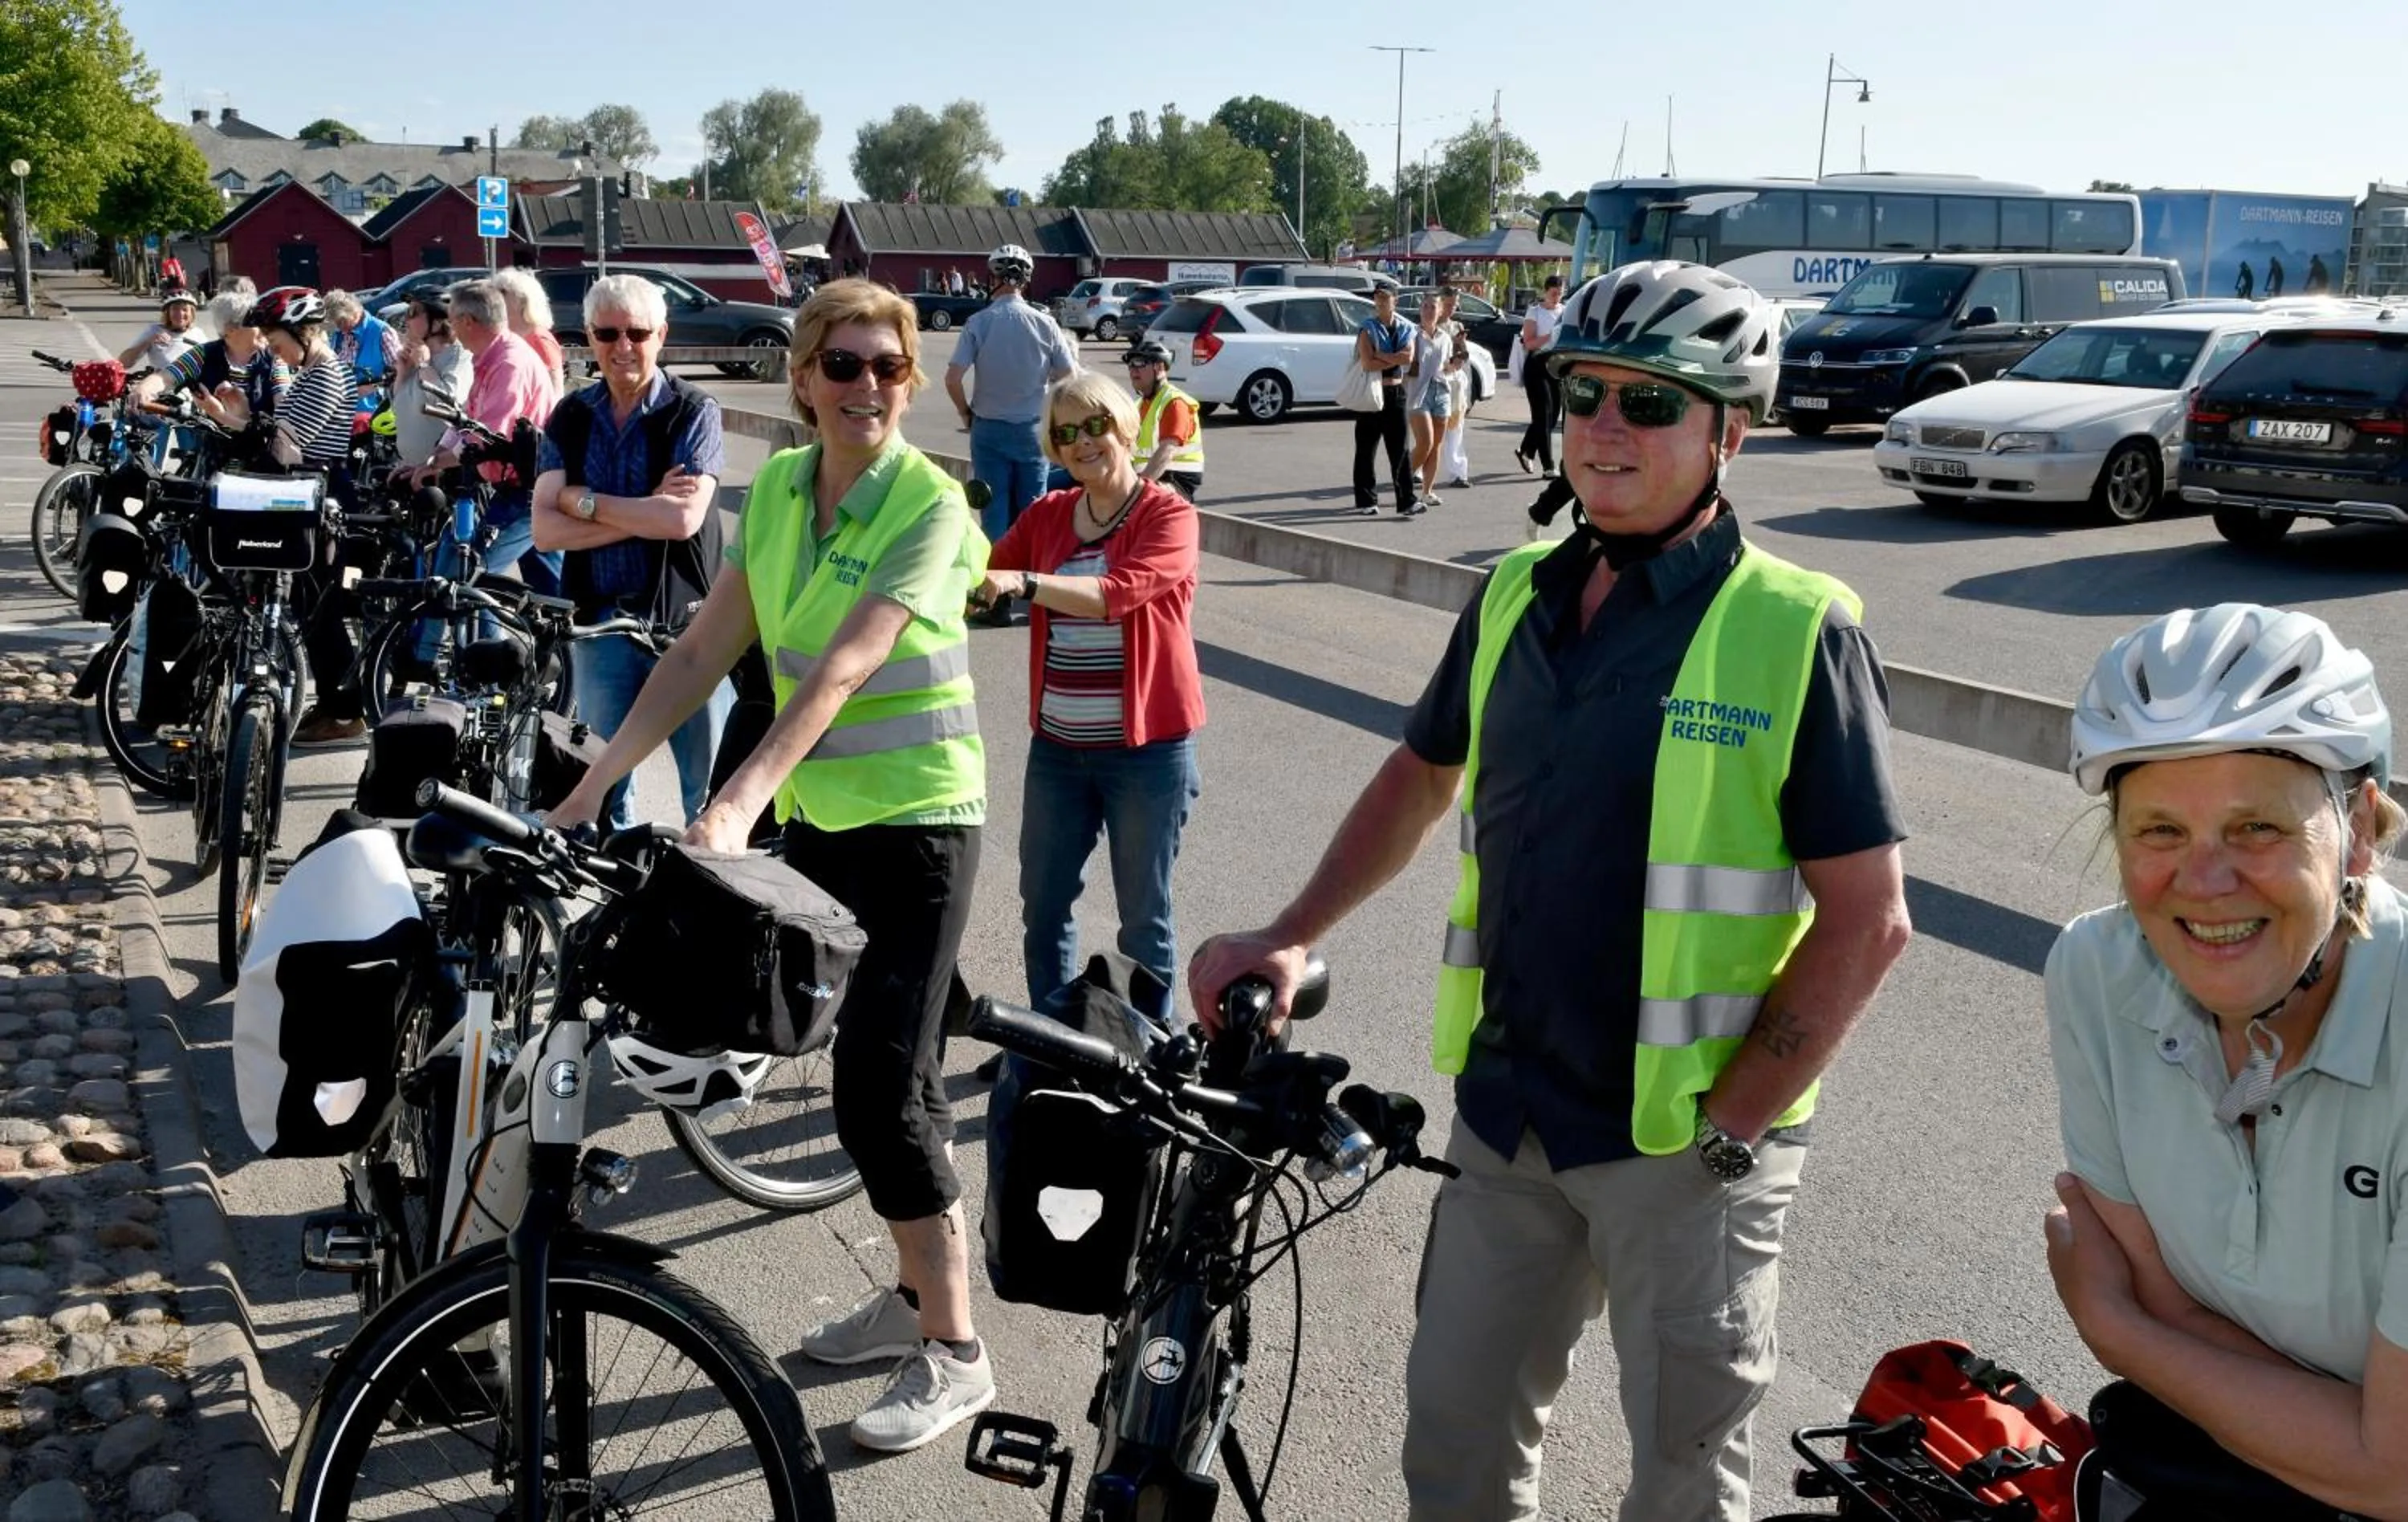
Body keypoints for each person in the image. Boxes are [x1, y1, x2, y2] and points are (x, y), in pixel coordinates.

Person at [1191, 259, 1914, 1522]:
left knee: (1684, 1486)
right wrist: (1291, 932)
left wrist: (1735, 1125)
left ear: (1727, 431)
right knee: (1456, 1454)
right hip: (1510, 1112)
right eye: (1585, 394)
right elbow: (1423, 775)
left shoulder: (1798, 629)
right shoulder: (1518, 587)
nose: (1606, 429)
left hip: (1685, 1146)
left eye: (1652, 402)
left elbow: (1869, 919)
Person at [547, 279, 997, 1455]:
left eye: (889, 369)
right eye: (842, 366)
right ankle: (916, 1303)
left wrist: (738, 799)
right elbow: (704, 647)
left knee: (879, 1089)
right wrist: (597, 781)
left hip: (923, 829)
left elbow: (847, 665)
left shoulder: (928, 503)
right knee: (891, 1076)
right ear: (800, 378)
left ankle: (955, 1354)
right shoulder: (784, 493)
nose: (867, 388)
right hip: (830, 821)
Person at [2044, 603, 2408, 1521]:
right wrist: (2350, 1426)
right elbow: (2162, 1293)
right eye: (2159, 831)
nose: (2204, 885)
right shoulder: (2095, 973)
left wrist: (2115, 1331)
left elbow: (2398, 1473)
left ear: (2359, 826)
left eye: (2257, 829)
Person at [972, 370, 1203, 1023]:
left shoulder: (1169, 515)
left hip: (1147, 753)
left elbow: (1117, 595)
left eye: (1095, 425)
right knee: (1043, 905)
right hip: (1059, 750)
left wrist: (1024, 581)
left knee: (1142, 919)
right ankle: (1051, 1040)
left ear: (1127, 427)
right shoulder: (1048, 514)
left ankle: (1150, 1054)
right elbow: (986, 568)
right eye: (1065, 433)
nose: (1082, 442)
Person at [531, 273, 734, 831]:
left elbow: (683, 520)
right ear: (590, 338)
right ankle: (618, 901)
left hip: (686, 627)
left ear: (661, 335)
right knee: (604, 787)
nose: (623, 347)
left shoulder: (694, 411)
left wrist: (584, 502)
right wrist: (644, 507)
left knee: (709, 792)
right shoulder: (570, 416)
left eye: (637, 333)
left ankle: (710, 901)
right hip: (600, 627)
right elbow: (545, 531)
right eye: (607, 332)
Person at [240, 288, 368, 747]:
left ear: (300, 332)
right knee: (310, 605)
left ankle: (345, 711)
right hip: (309, 493)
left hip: (323, 496)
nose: (269, 347)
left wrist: (243, 429)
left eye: (274, 338)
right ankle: (335, 701)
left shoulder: (325, 376)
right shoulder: (310, 370)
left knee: (320, 607)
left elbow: (289, 444)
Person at [417, 279, 563, 595]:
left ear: (467, 321)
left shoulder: (509, 362)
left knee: (476, 579)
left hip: (528, 490)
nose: (450, 327)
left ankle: (494, 646)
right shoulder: (490, 359)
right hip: (518, 486)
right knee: (551, 588)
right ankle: (563, 639)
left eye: (452, 319)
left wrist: (435, 464)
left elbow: (486, 435)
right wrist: (433, 456)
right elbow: (465, 421)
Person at [946, 243, 1076, 571]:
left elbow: (952, 378)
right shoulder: (1046, 324)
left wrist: (966, 413)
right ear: (1026, 280)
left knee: (993, 510)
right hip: (1032, 429)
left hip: (988, 429)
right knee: (1034, 508)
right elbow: (1070, 377)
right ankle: (1032, 582)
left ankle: (997, 591)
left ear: (994, 277)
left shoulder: (979, 322)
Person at [131, 289, 287, 430]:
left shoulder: (273, 357)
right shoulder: (204, 354)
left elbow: (283, 400)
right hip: (215, 449)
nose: (264, 329)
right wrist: (143, 389)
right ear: (230, 330)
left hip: (263, 446)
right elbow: (167, 376)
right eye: (256, 323)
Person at [1351, 284, 1419, 518]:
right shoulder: (1367, 329)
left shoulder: (1405, 328)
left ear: (1395, 301)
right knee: (1366, 449)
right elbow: (1367, 363)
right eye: (1377, 297)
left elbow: (1408, 357)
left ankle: (1407, 501)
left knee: (1400, 449)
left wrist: (1380, 355)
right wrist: (1393, 359)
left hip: (1396, 393)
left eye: (1385, 298)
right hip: (1372, 392)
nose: (1380, 302)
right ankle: (1366, 501)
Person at [388, 290, 475, 470]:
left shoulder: (458, 357)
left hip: (442, 474)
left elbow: (449, 405)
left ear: (436, 322)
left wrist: (424, 365)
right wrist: (403, 373)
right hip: (410, 467)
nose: (406, 321)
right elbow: (400, 409)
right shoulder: (414, 356)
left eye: (413, 313)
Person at [1122, 338, 1204, 502]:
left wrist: (1138, 489)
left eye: (1140, 363)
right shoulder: (1138, 405)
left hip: (1175, 481)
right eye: (1131, 364)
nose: (1133, 369)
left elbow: (1167, 451)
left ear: (1159, 367)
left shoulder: (1175, 403)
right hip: (1148, 479)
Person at [1407, 289, 1456, 508]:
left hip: (1441, 391)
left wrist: (1453, 366)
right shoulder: (1412, 334)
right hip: (1419, 393)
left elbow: (1445, 366)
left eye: (1433, 307)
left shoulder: (1445, 338)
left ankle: (1427, 491)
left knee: (1436, 445)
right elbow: (1405, 364)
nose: (1428, 311)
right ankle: (1403, 480)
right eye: (1425, 306)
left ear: (1440, 311)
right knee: (1424, 443)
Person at [1516, 274, 1567, 476]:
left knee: (1553, 416)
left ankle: (1526, 450)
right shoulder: (1535, 312)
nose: (1557, 298)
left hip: (1558, 364)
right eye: (1554, 293)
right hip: (1537, 363)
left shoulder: (1565, 311)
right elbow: (1528, 342)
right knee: (1542, 415)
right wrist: (1550, 336)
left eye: (1560, 294)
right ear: (1545, 291)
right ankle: (1548, 466)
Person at [493, 267, 567, 397]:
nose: (495, 297)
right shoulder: (506, 336)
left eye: (503, 292)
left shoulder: (540, 340)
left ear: (523, 301)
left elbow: (555, 393)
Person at [325, 290, 401, 401]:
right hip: (345, 409)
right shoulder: (338, 335)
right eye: (336, 323)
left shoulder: (382, 332)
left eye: (341, 322)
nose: (339, 327)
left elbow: (400, 374)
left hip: (375, 411)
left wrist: (372, 388)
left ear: (354, 312)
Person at [118, 291, 197, 372]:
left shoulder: (197, 333)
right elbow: (123, 363)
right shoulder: (155, 331)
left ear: (192, 313)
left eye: (185, 310)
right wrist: (149, 341)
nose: (180, 314)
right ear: (168, 313)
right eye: (175, 309)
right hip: (163, 380)